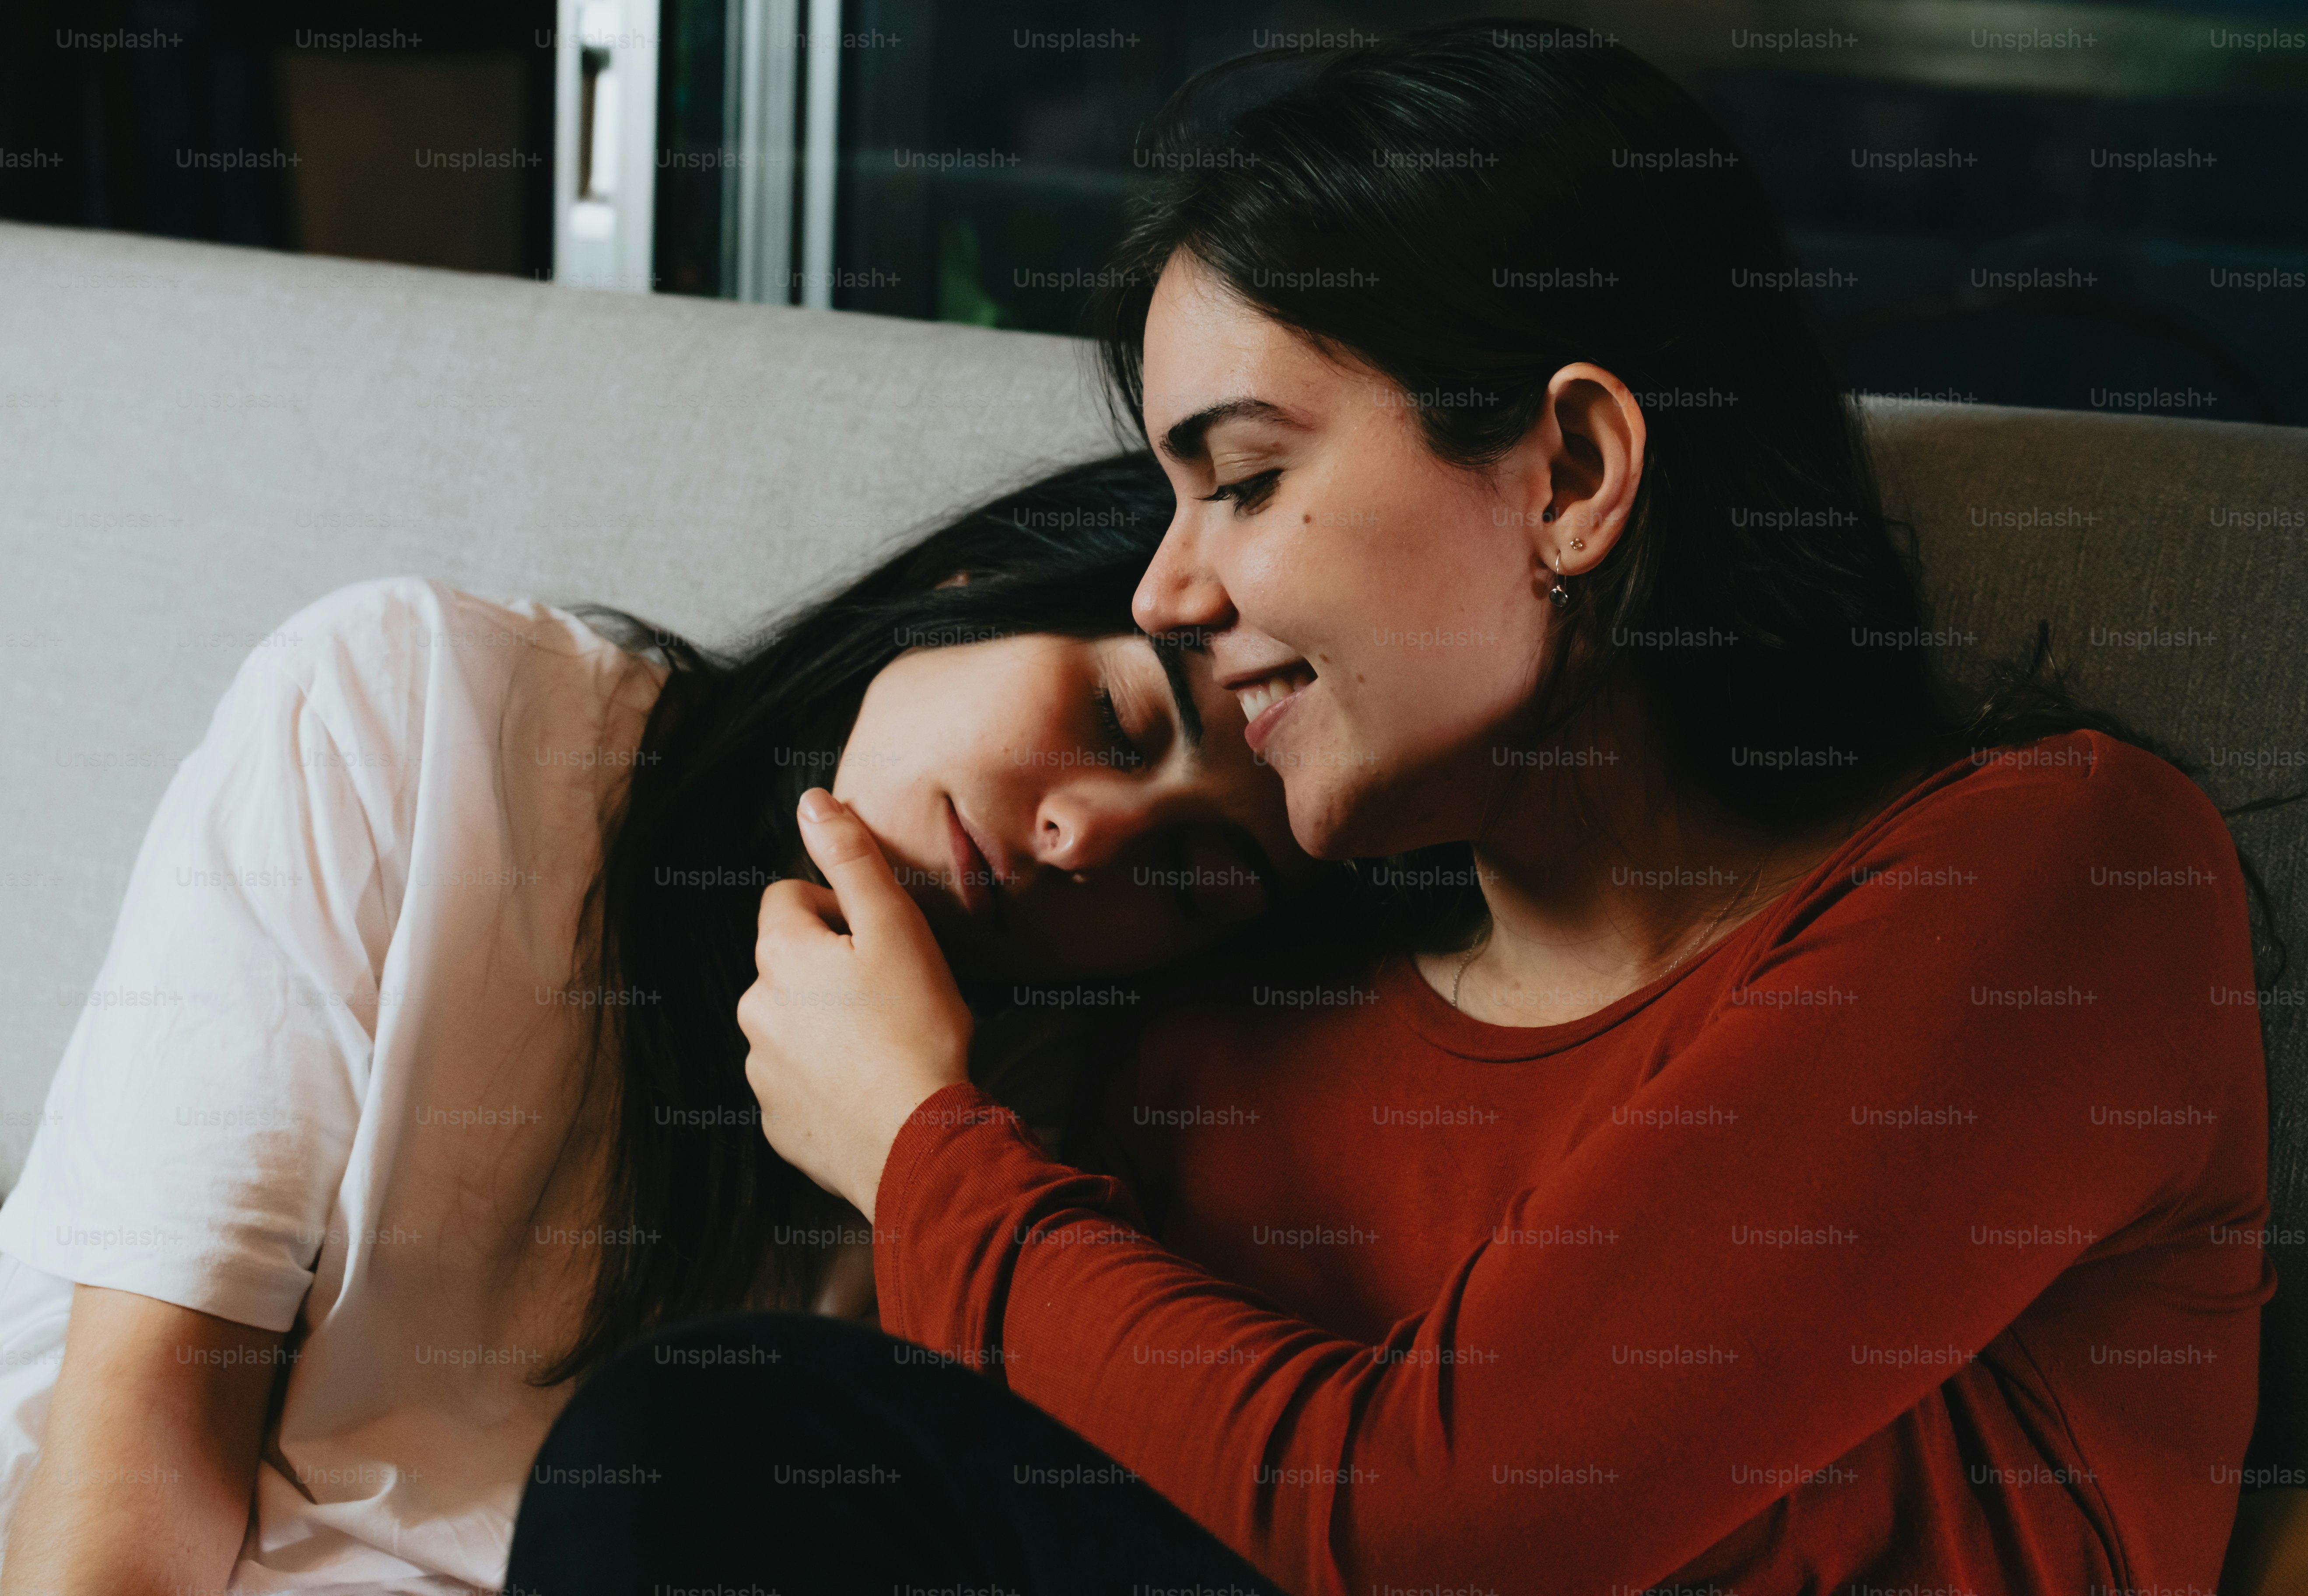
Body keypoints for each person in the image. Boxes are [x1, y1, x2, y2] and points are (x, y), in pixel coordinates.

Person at [515, 21, 2277, 1596]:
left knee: (702, 1441)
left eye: (1248, 478)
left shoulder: (2061, 883)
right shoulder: (1216, 1055)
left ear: (1572, 474)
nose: (1167, 590)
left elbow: (1447, 1534)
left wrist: (916, 1150)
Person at [0, 453, 1323, 1594]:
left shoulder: (1018, 1160)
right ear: (976, 589)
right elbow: (130, 1463)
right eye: (1115, 717)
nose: (1086, 837)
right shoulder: (420, 719)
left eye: (1191, 880)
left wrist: (915, 1146)